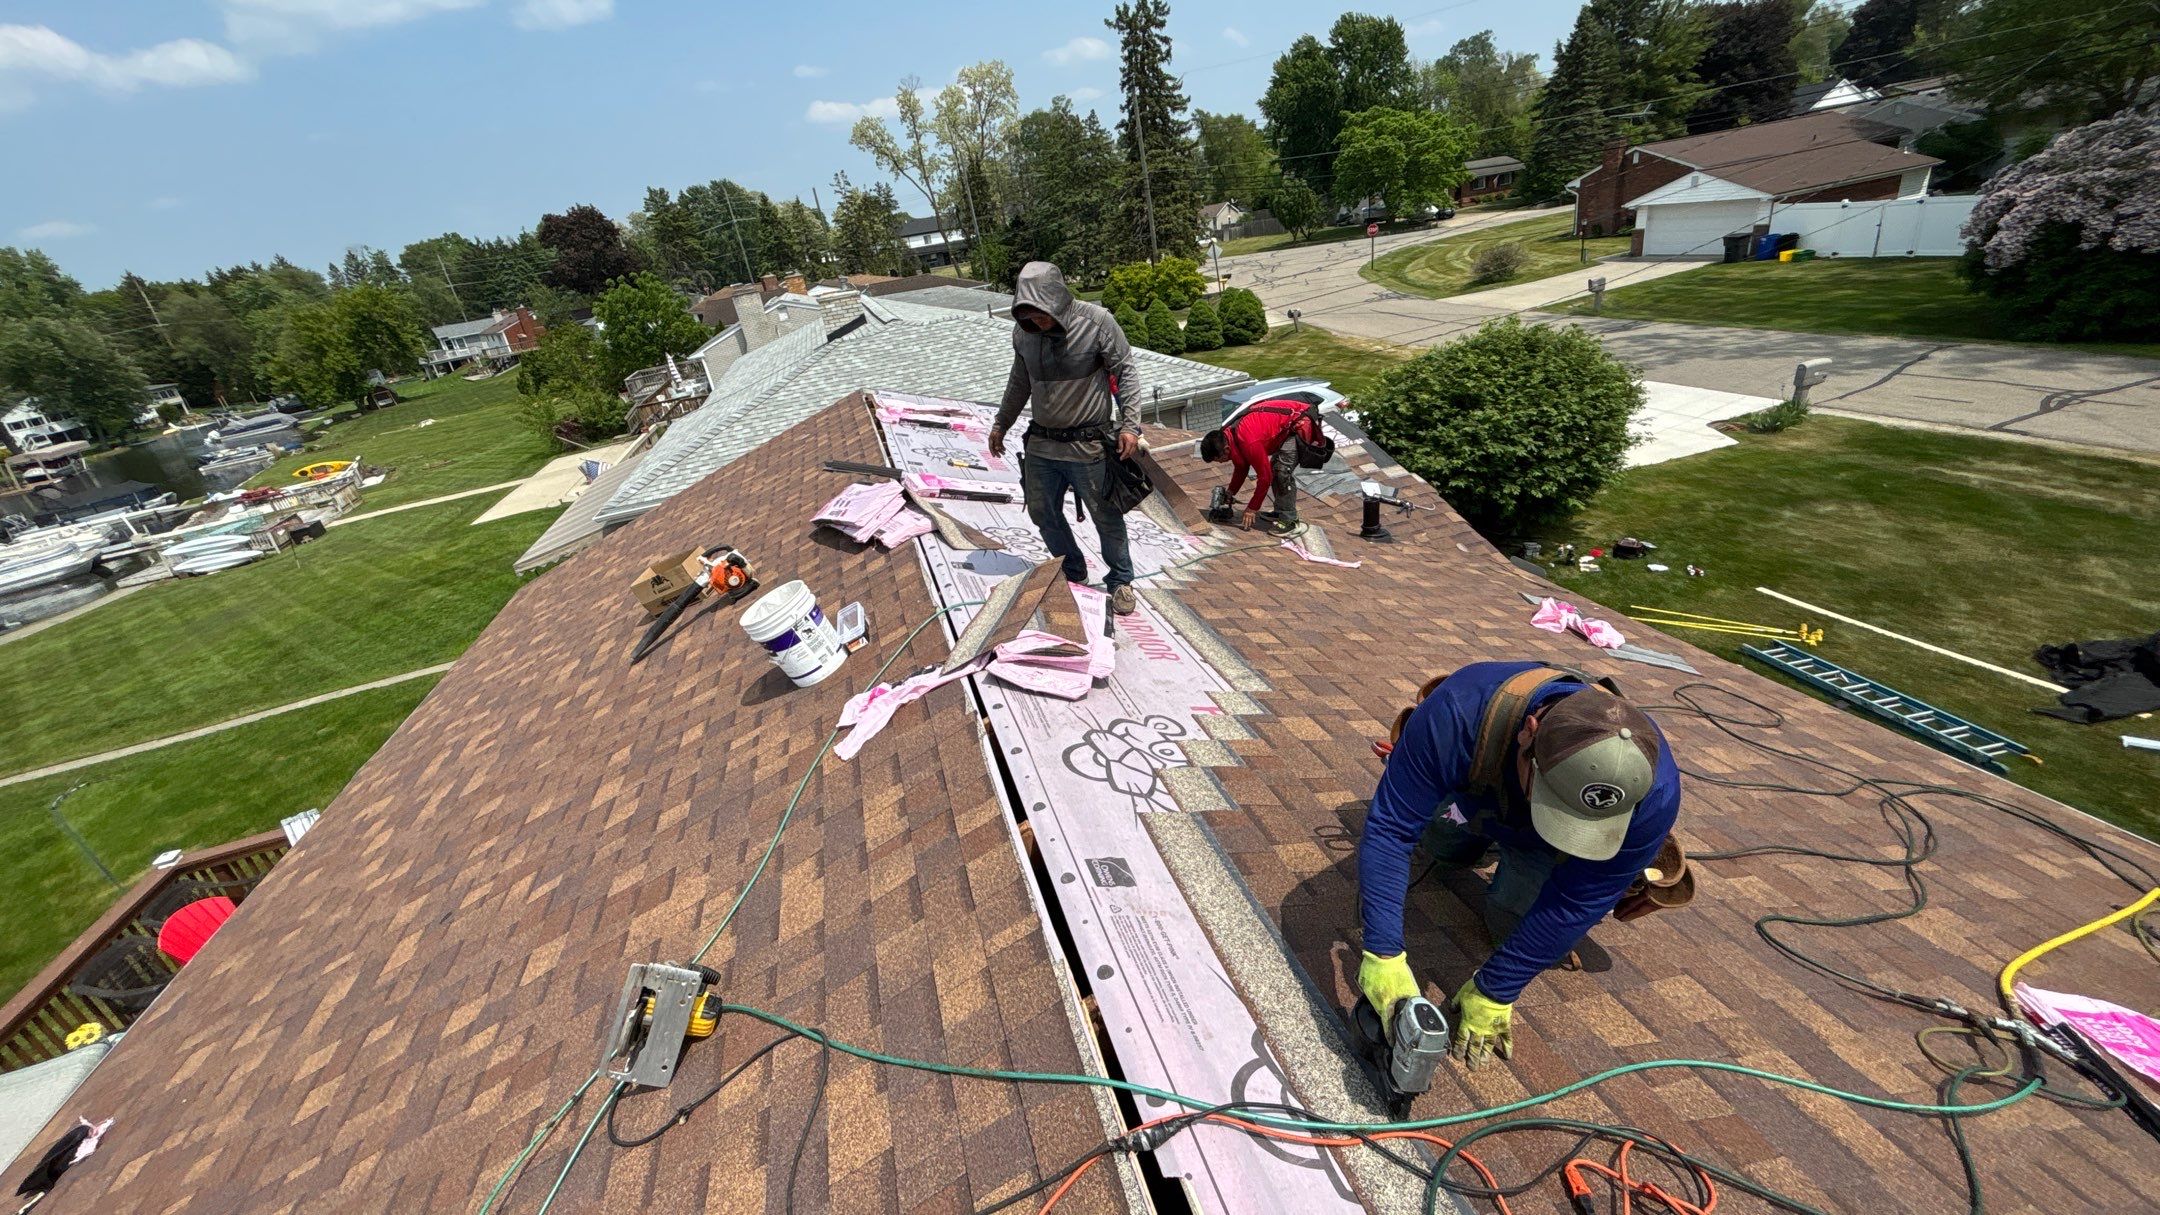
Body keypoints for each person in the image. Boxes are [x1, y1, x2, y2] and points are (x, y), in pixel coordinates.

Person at [1355, 662, 1681, 1068]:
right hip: (1476, 795)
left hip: (1543, 845)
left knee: (1514, 920)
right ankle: (1479, 838)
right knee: (1443, 848)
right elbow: (1391, 830)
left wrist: (1497, 989)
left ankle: (1522, 852)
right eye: (1553, 799)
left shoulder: (1657, 796)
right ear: (1529, 731)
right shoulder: (1459, 711)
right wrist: (1383, 953)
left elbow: (1580, 900)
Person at [991, 262, 1142, 616]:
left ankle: (1120, 579)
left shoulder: (1097, 323)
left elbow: (1126, 372)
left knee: (1105, 515)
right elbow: (1019, 382)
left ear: (1057, 301)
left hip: (1087, 444)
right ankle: (1073, 569)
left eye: (1040, 314)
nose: (1036, 322)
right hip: (1043, 444)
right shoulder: (1024, 334)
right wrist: (1001, 423)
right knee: (1042, 511)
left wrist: (1131, 425)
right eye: (1027, 315)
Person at [1199, 399, 1320, 536]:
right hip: (1287, 421)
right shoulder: (1228, 435)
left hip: (1300, 420)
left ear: (1226, 450)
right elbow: (1241, 467)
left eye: (1218, 460)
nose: (1220, 463)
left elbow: (1265, 478)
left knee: (1281, 471)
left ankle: (1290, 521)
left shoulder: (1248, 441)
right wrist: (1231, 492)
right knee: (1277, 469)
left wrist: (1252, 508)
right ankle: (1280, 511)